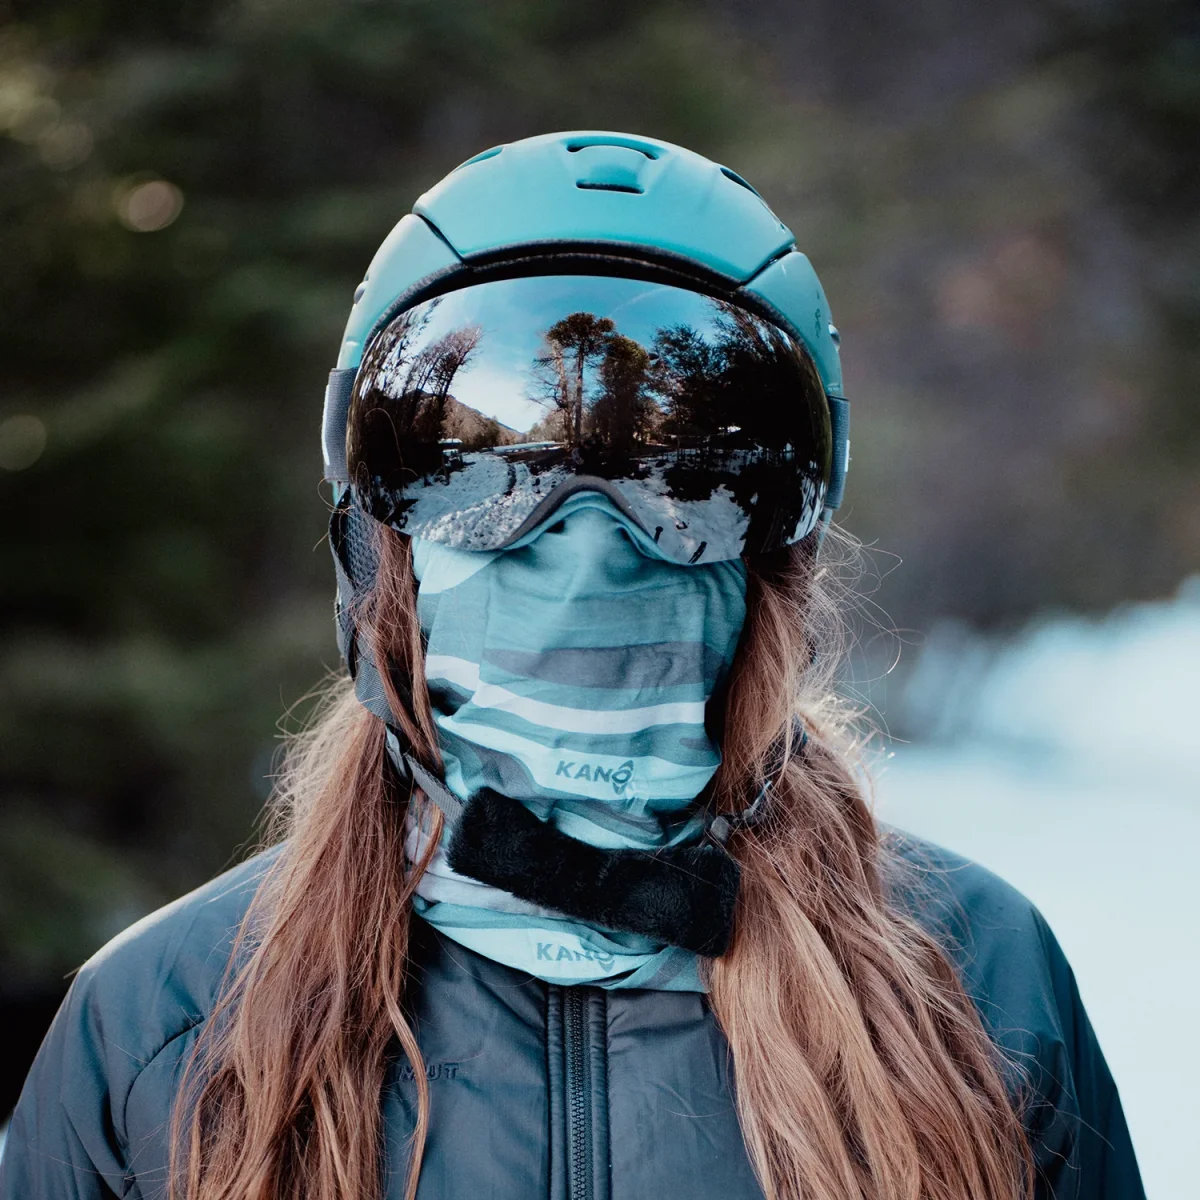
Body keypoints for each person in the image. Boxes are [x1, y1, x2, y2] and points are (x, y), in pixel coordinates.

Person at [0, 131, 1144, 1200]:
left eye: (688, 479)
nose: (588, 545)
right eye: (476, 469)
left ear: (776, 561)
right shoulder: (163, 1027)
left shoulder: (969, 988)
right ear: (378, 551)